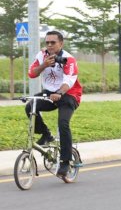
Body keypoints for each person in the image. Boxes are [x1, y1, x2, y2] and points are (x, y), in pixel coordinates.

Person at [26, 30, 82, 177]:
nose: (50, 45)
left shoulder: (68, 59)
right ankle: (46, 135)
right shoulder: (41, 55)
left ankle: (65, 161)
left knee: (63, 123)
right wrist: (44, 65)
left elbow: (69, 80)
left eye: (53, 42)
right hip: (50, 93)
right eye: (47, 42)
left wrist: (60, 93)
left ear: (61, 43)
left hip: (69, 94)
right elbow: (32, 73)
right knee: (30, 106)